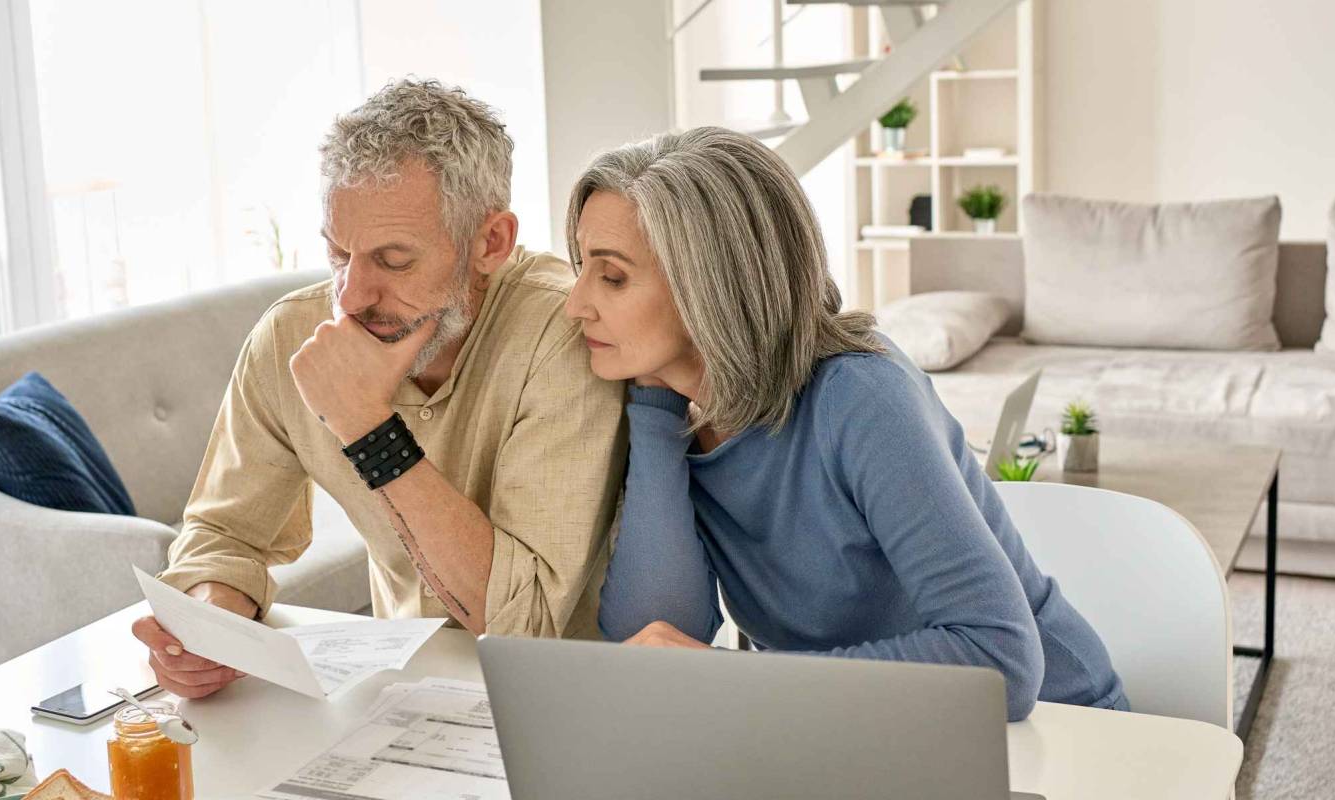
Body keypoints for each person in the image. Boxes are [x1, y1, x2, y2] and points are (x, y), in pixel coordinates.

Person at [570, 127, 1127, 720]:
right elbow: (654, 639)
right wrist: (656, 413)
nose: (575, 302)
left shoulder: (860, 396)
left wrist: (740, 677)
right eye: (581, 267)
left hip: (1055, 732)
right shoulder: (675, 404)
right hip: (855, 730)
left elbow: (1001, 660)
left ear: (711, 285)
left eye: (611, 277)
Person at [131, 79, 626, 699]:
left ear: (490, 243)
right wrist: (211, 622)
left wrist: (368, 429)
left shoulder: (567, 334)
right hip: (399, 694)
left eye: (393, 261)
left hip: (565, 699)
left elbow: (521, 623)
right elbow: (224, 534)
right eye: (339, 253)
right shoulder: (291, 334)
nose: (351, 296)